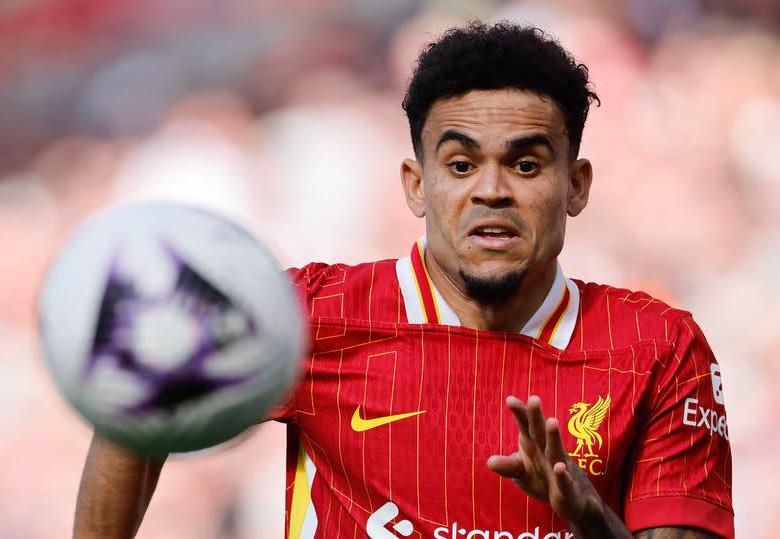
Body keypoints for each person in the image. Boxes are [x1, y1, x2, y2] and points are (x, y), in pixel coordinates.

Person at [73, 21, 733, 539]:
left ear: (576, 185)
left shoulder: (659, 349)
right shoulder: (307, 312)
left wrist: (591, 521)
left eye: (527, 165)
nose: (492, 191)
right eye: (460, 164)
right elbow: (141, 401)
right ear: (417, 186)